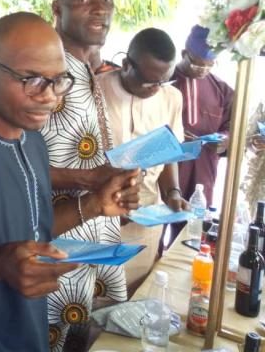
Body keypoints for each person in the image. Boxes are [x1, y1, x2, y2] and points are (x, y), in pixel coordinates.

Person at [0, 12, 140, 352]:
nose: (50, 96)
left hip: (27, 335)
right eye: (32, 80)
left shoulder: (32, 140)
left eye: (59, 81)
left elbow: (33, 232)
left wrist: (95, 205)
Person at [40, 0, 129, 350]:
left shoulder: (91, 70)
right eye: (84, 0)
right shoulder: (45, 68)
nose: (100, 9)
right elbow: (11, 164)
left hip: (96, 240)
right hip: (56, 245)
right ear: (57, 10)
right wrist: (88, 180)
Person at [97, 27, 189, 292]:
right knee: (97, 305)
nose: (156, 89)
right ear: (126, 64)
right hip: (100, 219)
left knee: (138, 297)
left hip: (145, 223)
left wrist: (172, 191)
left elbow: (169, 150)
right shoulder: (96, 92)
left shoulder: (172, 98)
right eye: (149, 83)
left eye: (164, 81)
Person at [168, 25, 234, 245]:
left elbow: (232, 125)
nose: (203, 70)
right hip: (169, 167)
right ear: (184, 54)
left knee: (194, 229)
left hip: (204, 168)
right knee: (159, 223)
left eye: (210, 65)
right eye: (197, 63)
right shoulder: (165, 79)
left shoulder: (222, 89)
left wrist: (225, 139)